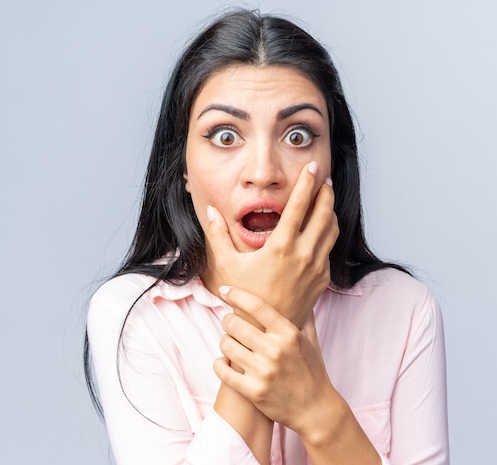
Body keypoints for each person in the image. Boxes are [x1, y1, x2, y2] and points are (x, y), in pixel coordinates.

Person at [85, 9, 449, 465]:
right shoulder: (131, 313)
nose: (263, 173)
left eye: (297, 136)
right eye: (224, 136)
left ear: (334, 161)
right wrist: (272, 312)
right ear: (182, 168)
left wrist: (319, 411)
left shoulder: (405, 310)